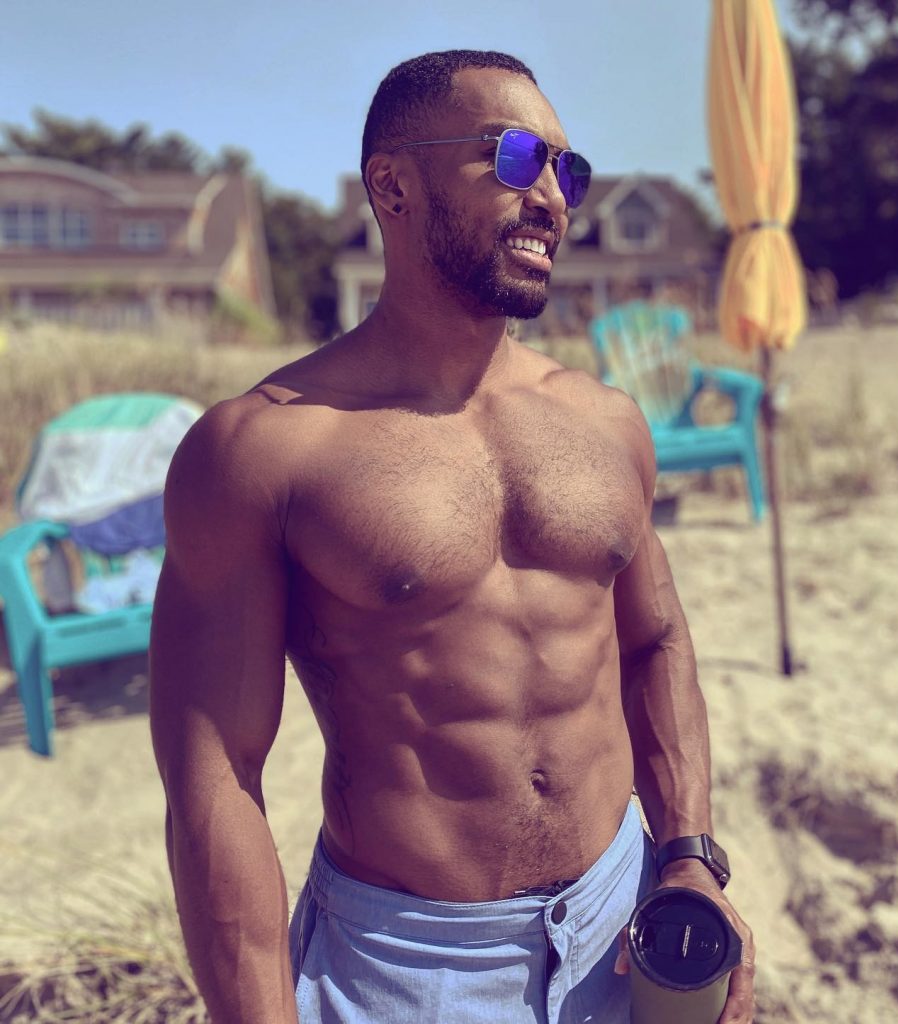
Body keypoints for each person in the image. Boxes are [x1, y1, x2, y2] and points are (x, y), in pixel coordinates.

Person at [150, 49, 755, 1024]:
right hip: (407, 961)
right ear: (392, 185)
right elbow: (213, 775)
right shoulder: (260, 450)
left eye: (571, 170)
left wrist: (688, 856)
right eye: (516, 158)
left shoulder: (606, 422)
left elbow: (657, 640)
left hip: (624, 921)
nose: (555, 196)